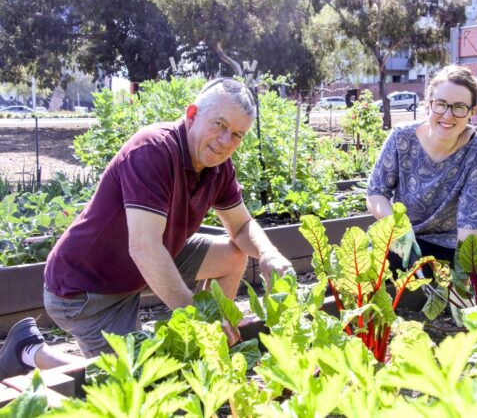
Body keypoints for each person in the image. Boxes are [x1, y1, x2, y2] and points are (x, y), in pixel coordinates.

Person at [0, 78, 293, 379]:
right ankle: (30, 350)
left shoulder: (218, 168)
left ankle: (214, 349)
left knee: (234, 255)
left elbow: (242, 225)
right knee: (135, 384)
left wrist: (268, 254)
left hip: (141, 267)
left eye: (237, 135)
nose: (225, 141)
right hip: (86, 289)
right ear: (192, 114)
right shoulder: (153, 151)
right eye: (219, 125)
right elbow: (144, 247)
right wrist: (196, 317)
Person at [367, 65, 477, 273]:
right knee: (372, 273)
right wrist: (398, 227)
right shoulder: (401, 138)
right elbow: (375, 193)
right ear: (428, 105)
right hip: (401, 238)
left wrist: (464, 277)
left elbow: (470, 220)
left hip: (446, 246)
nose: (447, 115)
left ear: (472, 112)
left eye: (459, 107)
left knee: (447, 287)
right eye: (441, 104)